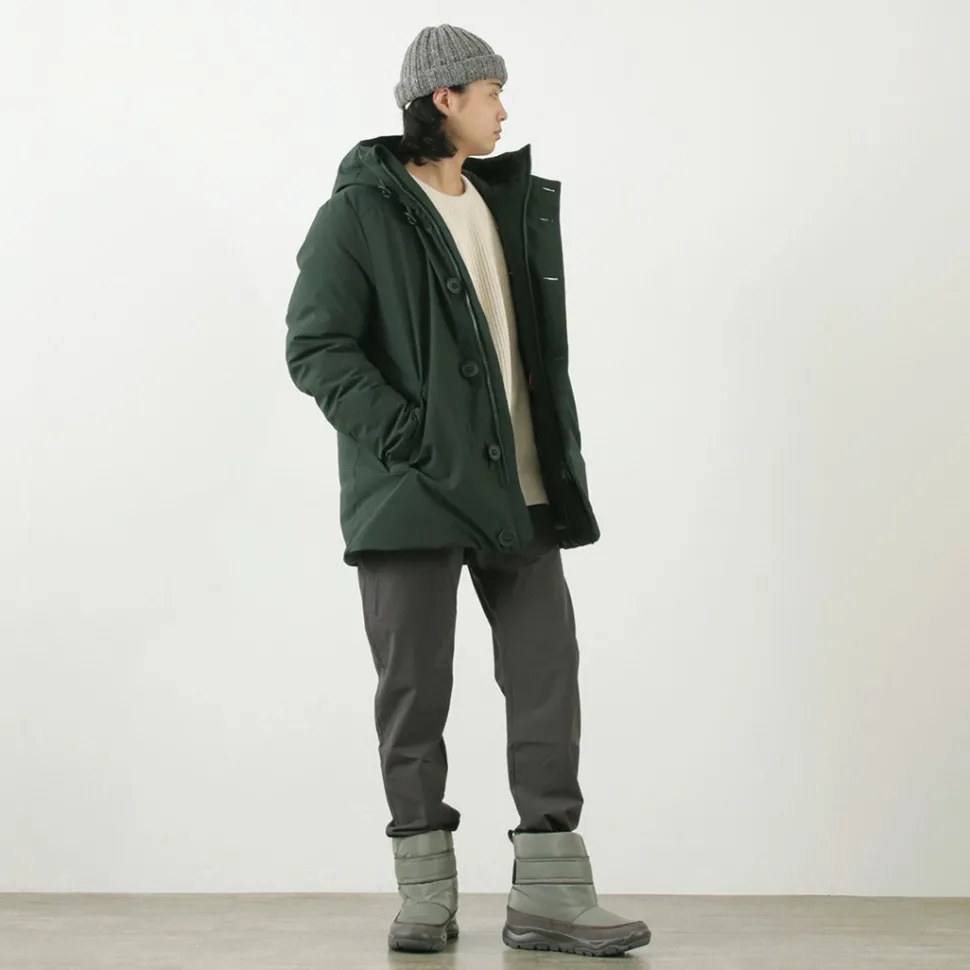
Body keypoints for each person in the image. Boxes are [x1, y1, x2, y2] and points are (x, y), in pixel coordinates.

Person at [284, 23, 651, 959]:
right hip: (411, 496)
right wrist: (409, 439)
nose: (503, 110)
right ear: (443, 99)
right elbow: (316, 346)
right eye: (491, 92)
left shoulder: (500, 200)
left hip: (520, 490)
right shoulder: (360, 213)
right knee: (415, 693)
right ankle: (425, 896)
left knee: (546, 678)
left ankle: (552, 897)